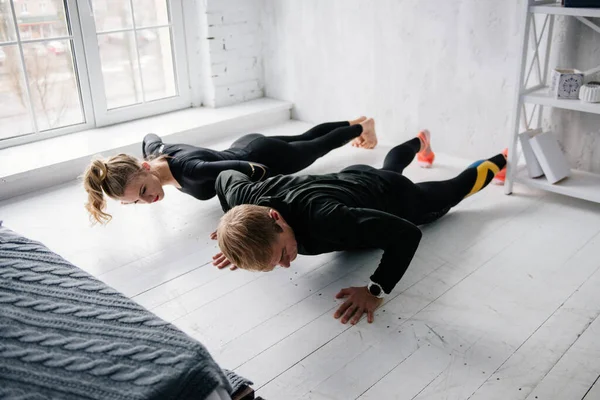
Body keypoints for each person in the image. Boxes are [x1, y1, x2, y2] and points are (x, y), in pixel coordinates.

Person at [212, 130, 507, 325]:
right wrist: (233, 234)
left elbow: (406, 234)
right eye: (275, 264)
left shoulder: (327, 219)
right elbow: (225, 175)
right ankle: (420, 141)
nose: (287, 265)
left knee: (453, 190)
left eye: (282, 255)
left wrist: (375, 290)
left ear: (276, 218)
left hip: (395, 198)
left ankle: (503, 157)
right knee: (387, 168)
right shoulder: (245, 200)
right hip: (352, 179)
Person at [82, 117, 378, 224]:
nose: (148, 201)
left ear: (145, 168)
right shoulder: (153, 153)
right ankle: (352, 123)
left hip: (268, 158)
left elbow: (255, 169)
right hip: (248, 143)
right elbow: (149, 136)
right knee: (305, 139)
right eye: (137, 201)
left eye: (144, 191)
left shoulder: (192, 171)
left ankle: (362, 128)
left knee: (317, 147)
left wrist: (241, 206)